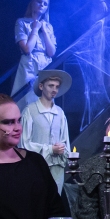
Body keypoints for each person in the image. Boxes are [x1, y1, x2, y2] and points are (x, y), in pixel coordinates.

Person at [20, 70, 73, 210]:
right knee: (37, 204)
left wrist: (63, 151)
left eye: (57, 86)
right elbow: (24, 144)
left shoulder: (60, 113)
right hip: (37, 167)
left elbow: (65, 141)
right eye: (51, 85)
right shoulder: (30, 111)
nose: (54, 89)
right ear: (41, 86)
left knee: (53, 205)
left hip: (57, 168)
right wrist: (50, 149)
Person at [11, 0, 57, 103]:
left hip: (45, 64)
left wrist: (44, 31)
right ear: (32, 3)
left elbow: (51, 52)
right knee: (28, 100)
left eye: (45, 4)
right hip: (29, 64)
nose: (42, 5)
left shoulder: (49, 27)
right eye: (39, 2)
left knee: (45, 101)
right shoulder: (22, 22)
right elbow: (27, 49)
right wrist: (35, 28)